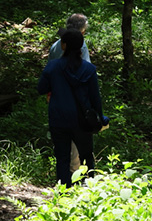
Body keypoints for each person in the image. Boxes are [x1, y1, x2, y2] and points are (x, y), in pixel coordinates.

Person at [37, 29, 108, 187]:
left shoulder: (53, 67)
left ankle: (64, 191)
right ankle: (87, 190)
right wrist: (101, 117)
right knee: (86, 156)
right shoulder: (89, 70)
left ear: (64, 45)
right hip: (82, 120)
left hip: (58, 119)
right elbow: (95, 98)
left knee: (62, 157)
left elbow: (41, 88)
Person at [49, 13, 91, 173]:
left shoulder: (56, 45)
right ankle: (74, 177)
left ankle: (63, 174)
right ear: (82, 30)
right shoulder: (80, 46)